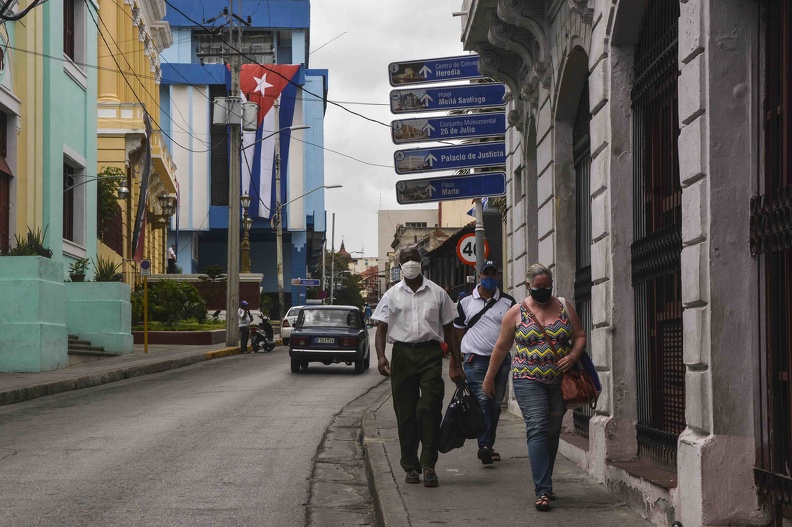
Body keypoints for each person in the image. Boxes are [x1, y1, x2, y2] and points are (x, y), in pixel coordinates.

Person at [483, 263, 586, 511]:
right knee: (538, 428)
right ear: (529, 286)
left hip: (559, 381)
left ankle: (546, 483)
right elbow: (500, 347)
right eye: (538, 286)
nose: (543, 290)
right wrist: (489, 378)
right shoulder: (516, 313)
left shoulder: (563, 306)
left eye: (547, 285)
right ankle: (542, 490)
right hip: (527, 379)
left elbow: (580, 335)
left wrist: (572, 356)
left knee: (552, 432)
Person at [372, 246, 464, 488]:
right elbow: (381, 328)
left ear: (421, 261)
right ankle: (410, 466)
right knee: (405, 413)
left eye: (414, 258)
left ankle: (429, 465)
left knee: (430, 408)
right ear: (399, 265)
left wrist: (456, 363)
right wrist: (381, 357)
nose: (410, 262)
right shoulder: (391, 294)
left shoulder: (437, 294)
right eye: (405, 260)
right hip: (402, 355)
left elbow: (450, 330)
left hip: (430, 354)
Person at [454, 260, 516, 466]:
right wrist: (455, 362)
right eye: (486, 273)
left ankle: (488, 443)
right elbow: (457, 333)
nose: (490, 277)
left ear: (497, 276)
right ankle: (485, 446)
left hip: (500, 361)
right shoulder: (465, 303)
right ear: (479, 276)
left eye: (493, 273)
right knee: (482, 399)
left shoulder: (508, 302)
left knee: (496, 404)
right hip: (474, 359)